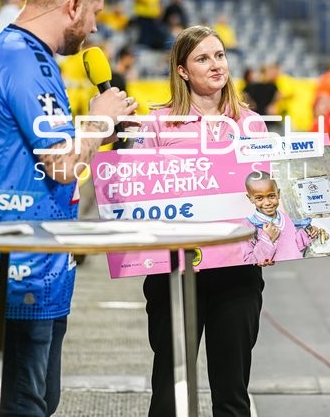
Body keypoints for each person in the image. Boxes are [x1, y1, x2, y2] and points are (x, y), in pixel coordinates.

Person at [0, 0, 138, 417]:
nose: (94, 27)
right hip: (14, 264)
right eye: (93, 12)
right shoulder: (23, 61)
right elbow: (58, 163)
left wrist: (101, 132)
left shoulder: (21, 55)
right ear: (72, 5)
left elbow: (39, 150)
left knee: (39, 399)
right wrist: (96, 123)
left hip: (34, 257)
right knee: (25, 404)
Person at [134, 25, 267, 416]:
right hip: (174, 273)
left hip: (237, 274)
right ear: (182, 71)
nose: (216, 65)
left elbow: (269, 198)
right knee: (169, 392)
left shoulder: (252, 124)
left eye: (220, 55)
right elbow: (136, 193)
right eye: (203, 58)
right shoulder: (156, 125)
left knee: (232, 393)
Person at [242, 171, 321, 265]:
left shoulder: (284, 217)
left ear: (278, 193)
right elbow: (251, 261)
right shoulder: (248, 225)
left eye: (271, 196)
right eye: (259, 198)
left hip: (298, 268)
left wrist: (308, 233)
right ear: (250, 198)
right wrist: (268, 238)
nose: (267, 202)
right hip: (275, 273)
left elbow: (294, 246)